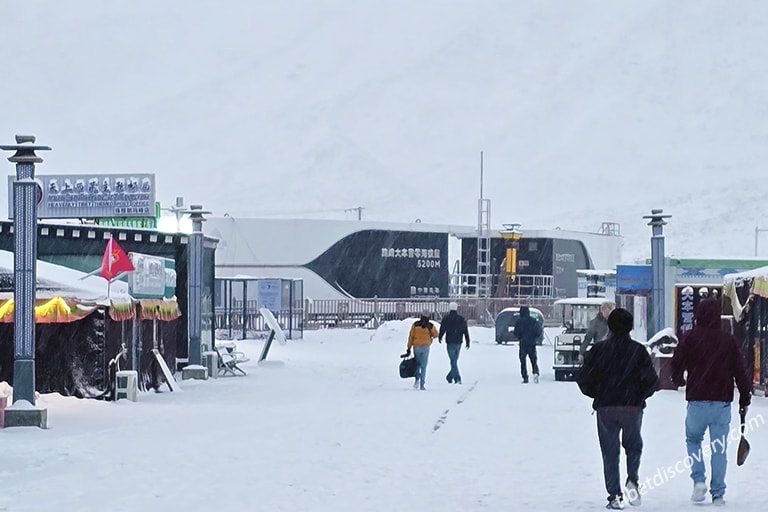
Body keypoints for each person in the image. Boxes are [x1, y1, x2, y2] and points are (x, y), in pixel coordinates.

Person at [669, 298, 752, 506]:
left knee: (693, 439)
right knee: (719, 448)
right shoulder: (728, 340)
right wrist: (745, 394)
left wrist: (679, 379)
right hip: (721, 402)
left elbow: (676, 362)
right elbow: (740, 371)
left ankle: (698, 481)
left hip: (697, 399)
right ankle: (718, 493)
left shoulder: (690, 337)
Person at [577, 308, 659, 510]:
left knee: (610, 451)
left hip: (606, 407)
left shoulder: (598, 351)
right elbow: (651, 381)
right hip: (632, 407)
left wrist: (598, 394)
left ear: (610, 326)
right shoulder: (638, 351)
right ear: (630, 327)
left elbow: (584, 379)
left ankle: (614, 494)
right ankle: (632, 480)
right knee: (633, 446)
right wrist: (639, 396)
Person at [438, 302, 471, 384]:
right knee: (454, 360)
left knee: (453, 360)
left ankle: (454, 377)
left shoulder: (446, 318)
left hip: (449, 342)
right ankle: (454, 377)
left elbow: (442, 329)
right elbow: (465, 330)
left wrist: (440, 337)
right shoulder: (461, 319)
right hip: (458, 342)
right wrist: (467, 340)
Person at [406, 310, 438, 390]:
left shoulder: (415, 325)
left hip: (416, 346)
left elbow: (411, 336)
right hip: (425, 347)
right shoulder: (430, 325)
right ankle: (422, 384)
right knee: (424, 366)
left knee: (417, 364)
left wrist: (409, 347)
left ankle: (417, 379)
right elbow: (436, 335)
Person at [513, 306, 541, 384]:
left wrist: (520, 338)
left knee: (523, 361)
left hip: (523, 344)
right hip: (532, 344)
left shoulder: (519, 321)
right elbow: (538, 331)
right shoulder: (533, 321)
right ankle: (535, 372)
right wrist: (534, 338)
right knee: (533, 360)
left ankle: (525, 377)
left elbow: (516, 333)